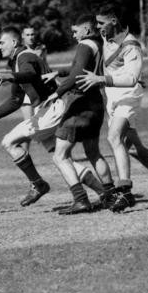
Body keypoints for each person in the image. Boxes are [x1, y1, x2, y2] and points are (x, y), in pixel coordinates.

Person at [76, 6, 148, 213]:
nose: (98, 28)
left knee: (114, 138)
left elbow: (132, 78)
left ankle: (125, 191)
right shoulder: (106, 37)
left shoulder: (131, 45)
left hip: (128, 97)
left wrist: (101, 79)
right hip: (113, 99)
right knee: (133, 148)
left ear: (113, 21)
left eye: (100, 23)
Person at [0, 26, 59, 206]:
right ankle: (101, 191)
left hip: (51, 109)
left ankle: (38, 184)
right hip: (48, 109)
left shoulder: (23, 56)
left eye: (1, 43)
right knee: (60, 156)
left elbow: (30, 74)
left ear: (14, 42)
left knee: (9, 142)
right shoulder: (15, 60)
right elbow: (17, 99)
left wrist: (10, 76)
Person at [41, 14, 117, 215]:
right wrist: (58, 72)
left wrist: (56, 93)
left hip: (80, 104)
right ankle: (111, 194)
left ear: (86, 29)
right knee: (93, 153)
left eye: (75, 31)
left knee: (59, 156)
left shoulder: (84, 44)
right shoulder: (98, 44)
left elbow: (76, 75)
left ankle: (80, 199)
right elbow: (80, 69)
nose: (74, 35)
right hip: (96, 104)